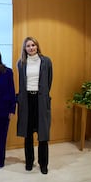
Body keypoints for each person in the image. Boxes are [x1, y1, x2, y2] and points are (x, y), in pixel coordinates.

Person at [17, 37, 53, 174]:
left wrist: (42, 94)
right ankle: (29, 161)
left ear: (37, 46)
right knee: (28, 133)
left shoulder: (46, 61)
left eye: (33, 45)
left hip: (41, 100)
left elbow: (49, 81)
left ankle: (43, 164)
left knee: (43, 134)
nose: (31, 48)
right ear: (25, 48)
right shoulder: (21, 63)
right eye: (28, 46)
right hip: (27, 100)